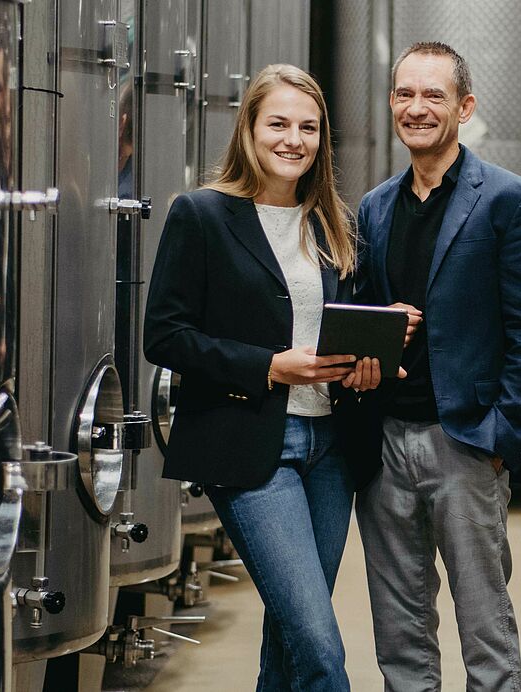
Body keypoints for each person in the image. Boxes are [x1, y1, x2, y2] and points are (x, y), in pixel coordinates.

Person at [143, 63, 384, 691]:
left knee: (287, 636)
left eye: (308, 128)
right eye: (278, 123)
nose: (293, 140)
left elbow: (341, 324)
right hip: (253, 448)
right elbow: (164, 337)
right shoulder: (201, 214)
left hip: (331, 449)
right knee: (319, 643)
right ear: (248, 128)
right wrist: (268, 367)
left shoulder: (333, 223)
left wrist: (368, 359)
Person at [351, 42, 521, 691]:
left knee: (484, 629)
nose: (417, 108)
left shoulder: (510, 200)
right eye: (404, 94)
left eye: (433, 95)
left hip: (464, 443)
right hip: (385, 447)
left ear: (464, 107)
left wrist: (500, 440)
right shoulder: (374, 208)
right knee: (399, 630)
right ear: (391, 103)